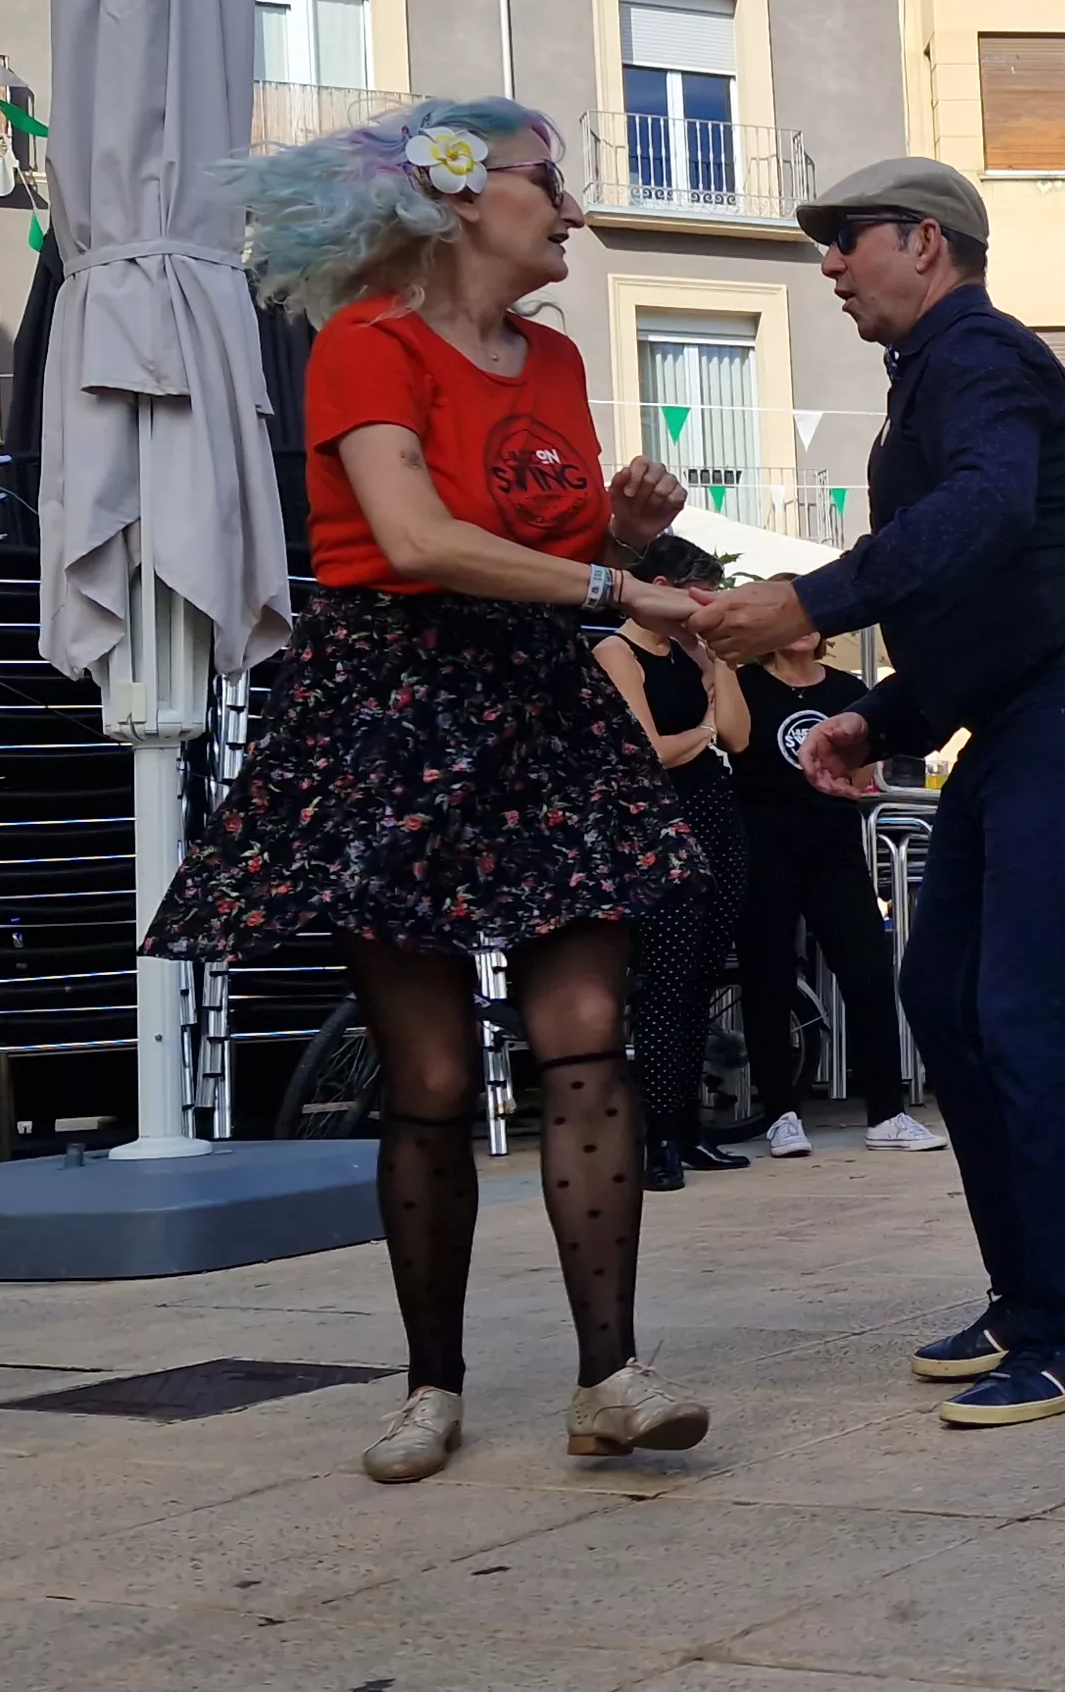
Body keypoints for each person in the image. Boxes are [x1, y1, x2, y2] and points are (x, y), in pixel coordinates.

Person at [144, 97, 713, 1482]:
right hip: (392, 704)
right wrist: (613, 578)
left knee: (587, 1033)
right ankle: (432, 1384)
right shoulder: (365, 344)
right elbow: (410, 536)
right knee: (435, 1072)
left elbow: (533, 530)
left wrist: (616, 532)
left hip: (531, 698)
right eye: (550, 183)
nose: (572, 209)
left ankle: (611, 1377)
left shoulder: (560, 361)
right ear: (458, 196)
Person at [684, 158, 1065, 1426]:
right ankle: (1029, 1300)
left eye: (848, 241)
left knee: (1020, 1003)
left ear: (926, 240)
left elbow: (990, 512)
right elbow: (975, 607)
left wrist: (805, 604)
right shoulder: (925, 389)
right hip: (1026, 708)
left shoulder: (978, 354)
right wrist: (880, 715)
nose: (832, 266)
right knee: (940, 993)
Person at [730, 599, 942, 1158]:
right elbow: (731, 744)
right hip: (766, 846)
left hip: (835, 847)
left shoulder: (847, 687)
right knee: (768, 977)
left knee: (870, 972)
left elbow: (865, 771)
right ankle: (780, 1114)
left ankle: (887, 1113)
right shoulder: (745, 683)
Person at [594, 536, 754, 1190]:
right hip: (657, 826)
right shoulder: (615, 650)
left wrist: (722, 662)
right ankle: (658, 1134)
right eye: (695, 595)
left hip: (717, 815)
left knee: (702, 984)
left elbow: (738, 737)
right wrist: (703, 732)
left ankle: (690, 1127)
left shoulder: (696, 653)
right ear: (657, 583)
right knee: (664, 983)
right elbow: (649, 752)